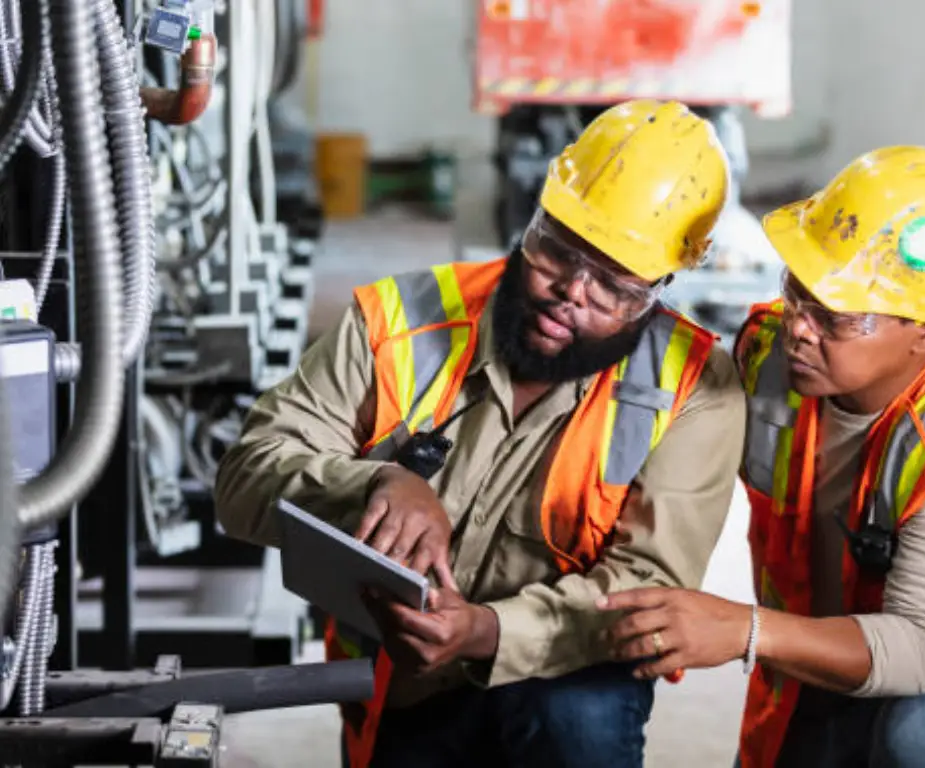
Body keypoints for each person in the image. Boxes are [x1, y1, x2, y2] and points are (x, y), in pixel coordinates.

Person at [214, 99, 747, 768]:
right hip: (399, 671)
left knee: (577, 720)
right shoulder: (400, 322)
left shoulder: (695, 391)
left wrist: (487, 631)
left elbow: (646, 588)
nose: (570, 293)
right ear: (534, 217)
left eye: (612, 286)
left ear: (659, 289)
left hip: (562, 673)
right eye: (557, 249)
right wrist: (377, 482)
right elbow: (243, 480)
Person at [598, 145, 925, 767]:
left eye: (835, 317)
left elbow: (919, 646)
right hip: (813, 663)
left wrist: (744, 629)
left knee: (920, 741)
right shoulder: (769, 359)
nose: (800, 326)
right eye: (798, 294)